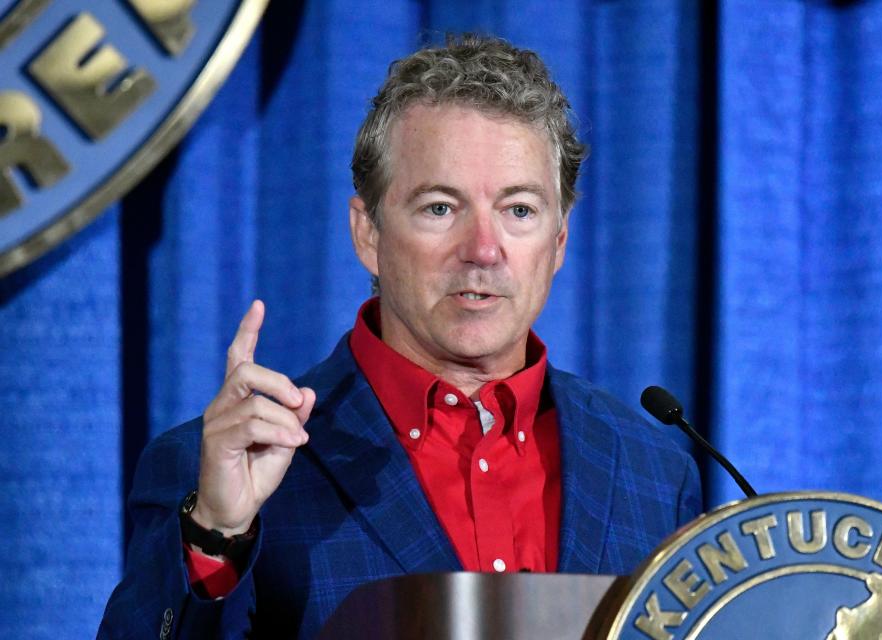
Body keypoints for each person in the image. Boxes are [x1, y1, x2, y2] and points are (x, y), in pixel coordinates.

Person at [98, 34, 702, 639]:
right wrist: (217, 535)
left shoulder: (651, 469)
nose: (483, 250)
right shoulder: (227, 468)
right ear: (368, 233)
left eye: (519, 210)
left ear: (559, 242)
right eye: (441, 208)